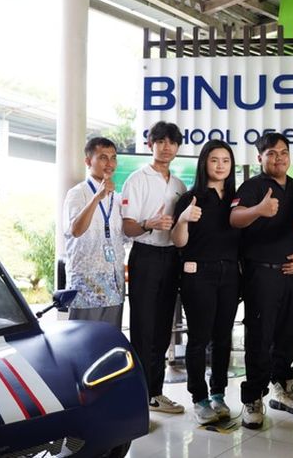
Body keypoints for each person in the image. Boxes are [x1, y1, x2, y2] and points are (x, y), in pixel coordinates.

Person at [230, 133, 293, 430]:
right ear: (259, 158)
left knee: (288, 333)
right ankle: (253, 398)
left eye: (283, 152)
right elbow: (235, 218)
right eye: (271, 153)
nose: (279, 158)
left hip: (290, 273)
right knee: (260, 336)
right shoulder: (252, 187)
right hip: (260, 273)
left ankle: (283, 389)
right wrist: (258, 210)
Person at [172, 140, 240, 425]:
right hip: (198, 274)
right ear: (204, 163)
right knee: (199, 338)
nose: (220, 165)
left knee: (223, 337)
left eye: (226, 160)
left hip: (230, 275)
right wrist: (183, 220)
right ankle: (199, 398)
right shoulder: (190, 198)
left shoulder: (237, 199)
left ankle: (218, 394)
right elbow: (179, 242)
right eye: (214, 160)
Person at [121, 121, 186, 414]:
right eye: (160, 141)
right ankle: (141, 394)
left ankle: (155, 393)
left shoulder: (179, 185)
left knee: (162, 328)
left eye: (172, 142)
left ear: (177, 147)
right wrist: (150, 223)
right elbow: (127, 227)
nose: (166, 147)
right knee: (143, 327)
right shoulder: (137, 179)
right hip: (145, 256)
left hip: (171, 257)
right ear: (150, 145)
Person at [62, 137, 126, 328]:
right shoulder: (78, 193)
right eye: (103, 158)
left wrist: (148, 223)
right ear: (88, 161)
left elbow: (122, 235)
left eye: (113, 158)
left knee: (110, 337)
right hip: (87, 280)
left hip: (114, 279)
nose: (110, 164)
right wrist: (97, 197)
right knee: (83, 338)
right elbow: (76, 230)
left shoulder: (117, 197)